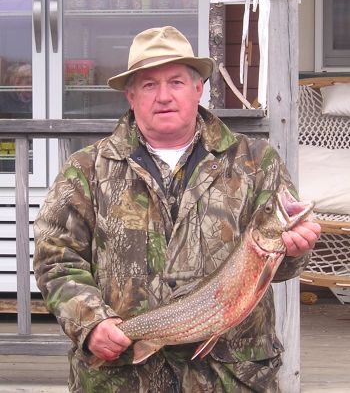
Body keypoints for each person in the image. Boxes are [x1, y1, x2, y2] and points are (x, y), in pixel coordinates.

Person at [33, 26, 321, 393]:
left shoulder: (256, 161)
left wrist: (297, 250)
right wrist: (90, 324)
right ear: (131, 95)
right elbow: (56, 259)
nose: (164, 96)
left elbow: (280, 268)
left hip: (230, 379)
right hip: (120, 379)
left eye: (177, 82)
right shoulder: (86, 169)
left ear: (199, 88)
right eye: (149, 85)